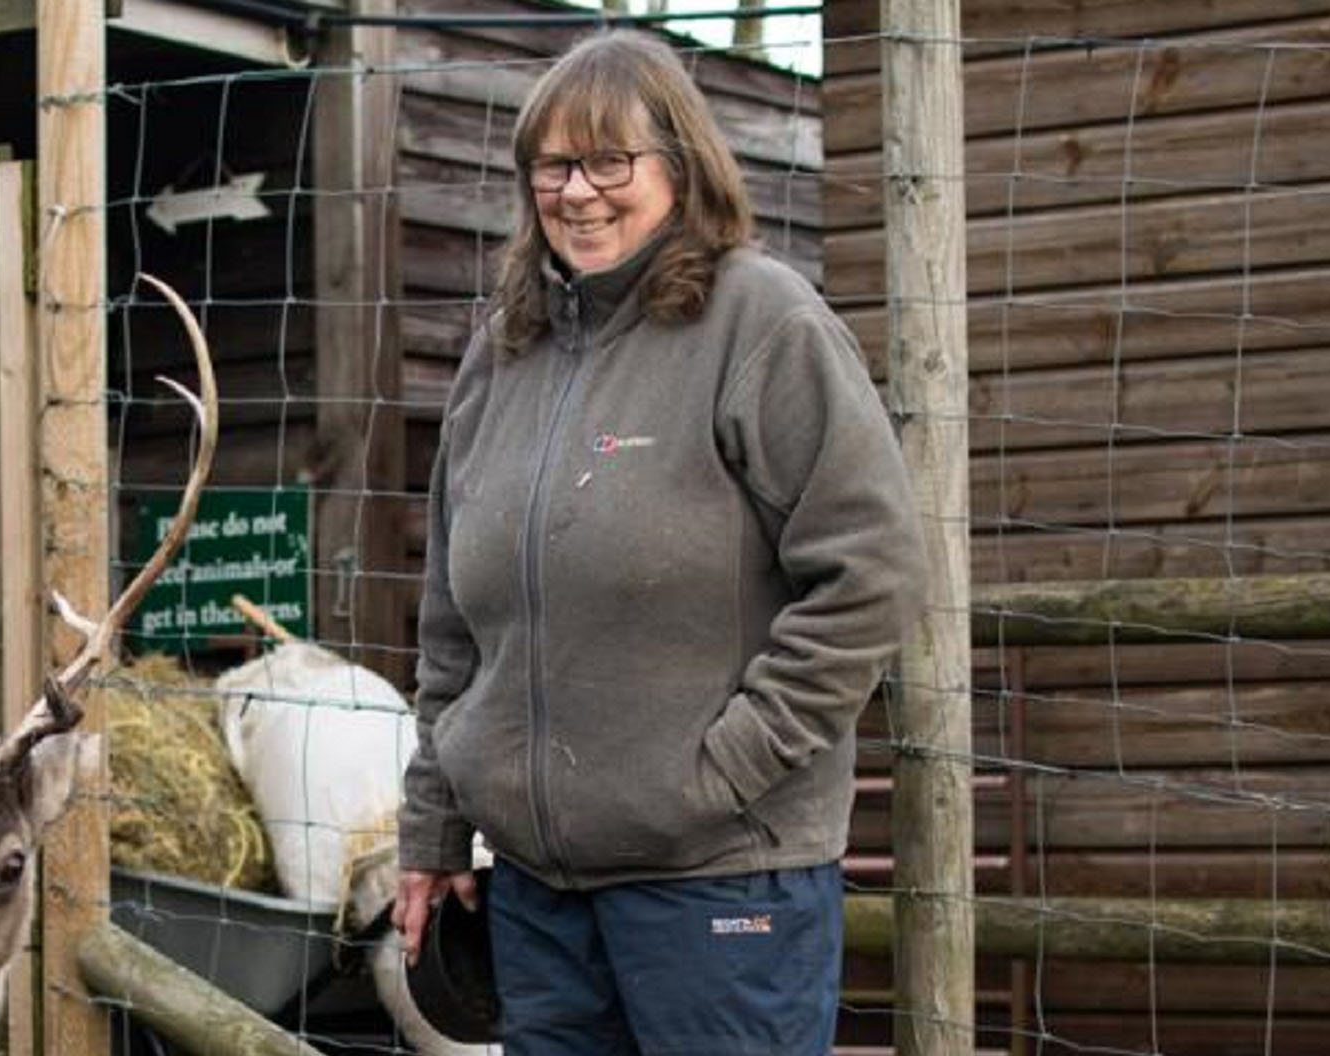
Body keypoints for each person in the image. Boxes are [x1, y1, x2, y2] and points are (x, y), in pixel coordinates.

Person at [393, 29, 929, 1055]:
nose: (577, 192)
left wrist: (721, 772)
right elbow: (452, 627)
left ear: (678, 167)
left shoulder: (759, 323)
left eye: (609, 161)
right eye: (552, 165)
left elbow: (872, 575)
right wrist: (434, 824)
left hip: (717, 888)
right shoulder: (503, 350)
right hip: (539, 898)